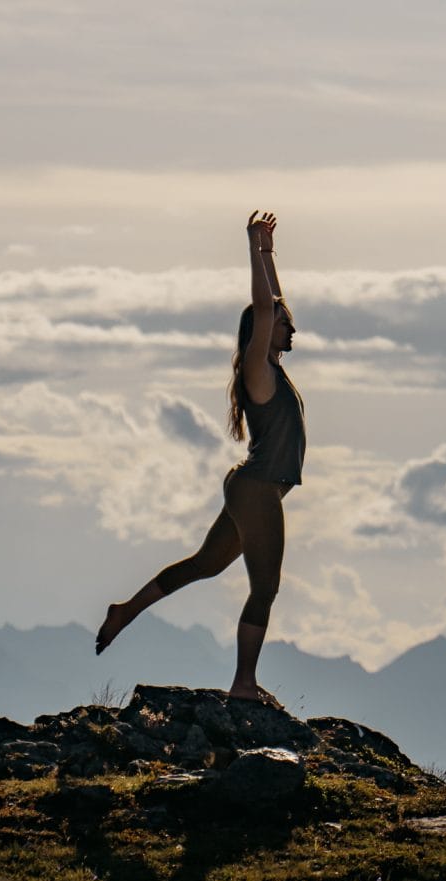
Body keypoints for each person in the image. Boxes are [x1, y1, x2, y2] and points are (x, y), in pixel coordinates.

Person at [94, 210, 305, 706]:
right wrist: (253, 250)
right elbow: (263, 305)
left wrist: (271, 255)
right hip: (257, 491)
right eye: (283, 325)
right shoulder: (259, 370)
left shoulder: (270, 365)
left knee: (206, 565)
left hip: (252, 489)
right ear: (265, 330)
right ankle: (243, 685)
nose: (292, 329)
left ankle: (125, 610)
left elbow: (272, 304)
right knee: (265, 588)